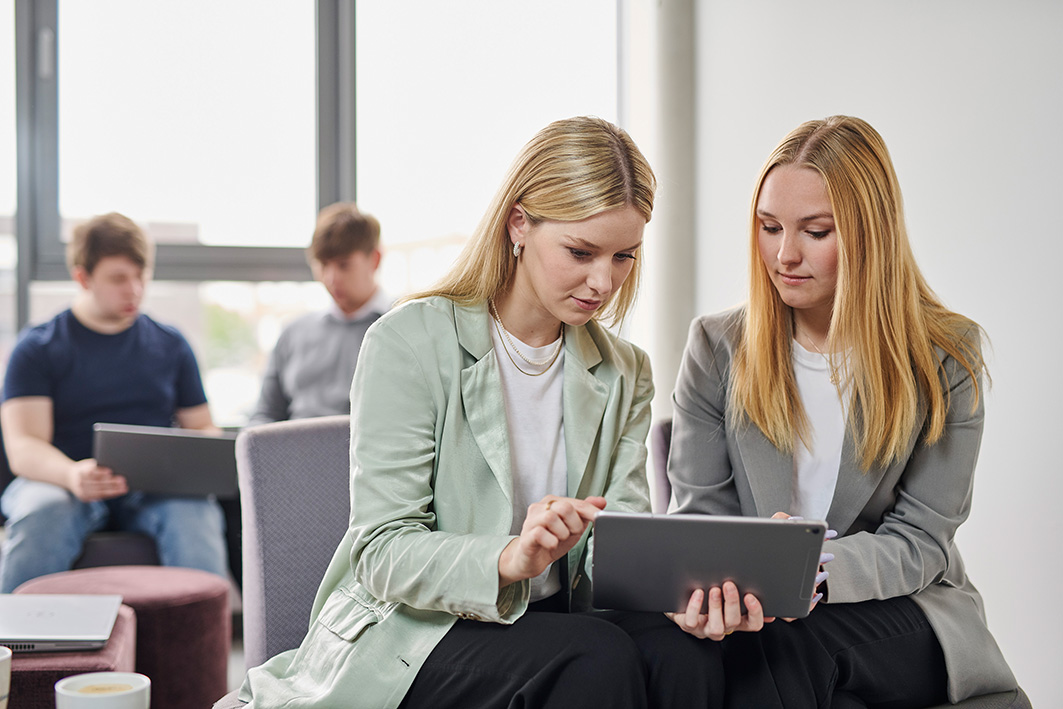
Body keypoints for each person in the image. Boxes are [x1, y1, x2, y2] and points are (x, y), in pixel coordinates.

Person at [235, 116, 769, 709]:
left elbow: (616, 544)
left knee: (685, 652)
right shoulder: (408, 341)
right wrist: (509, 557)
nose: (603, 281)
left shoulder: (625, 371)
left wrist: (673, 594)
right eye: (581, 251)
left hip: (557, 621)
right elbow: (381, 550)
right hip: (418, 626)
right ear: (519, 223)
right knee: (595, 657)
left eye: (623, 257)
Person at [667, 116, 1018, 704]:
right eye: (769, 226)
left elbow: (923, 541)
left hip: (903, 607)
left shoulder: (945, 359)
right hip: (762, 615)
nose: (785, 254)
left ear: (869, 235)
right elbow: (701, 517)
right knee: (688, 653)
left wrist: (805, 568)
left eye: (816, 231)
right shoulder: (717, 347)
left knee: (784, 653)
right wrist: (726, 589)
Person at [0, 212, 229, 593]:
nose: (134, 289)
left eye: (141, 276)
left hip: (151, 487)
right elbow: (23, 448)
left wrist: (204, 451)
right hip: (61, 481)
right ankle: (12, 644)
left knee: (195, 515)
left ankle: (203, 649)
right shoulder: (37, 348)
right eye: (119, 278)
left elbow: (202, 427)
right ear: (82, 277)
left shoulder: (171, 345)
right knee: (44, 512)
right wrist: (73, 475)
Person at [248, 201, 390, 425]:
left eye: (344, 265)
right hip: (293, 455)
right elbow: (265, 415)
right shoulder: (293, 333)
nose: (331, 279)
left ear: (375, 260)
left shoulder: (403, 329)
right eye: (323, 265)